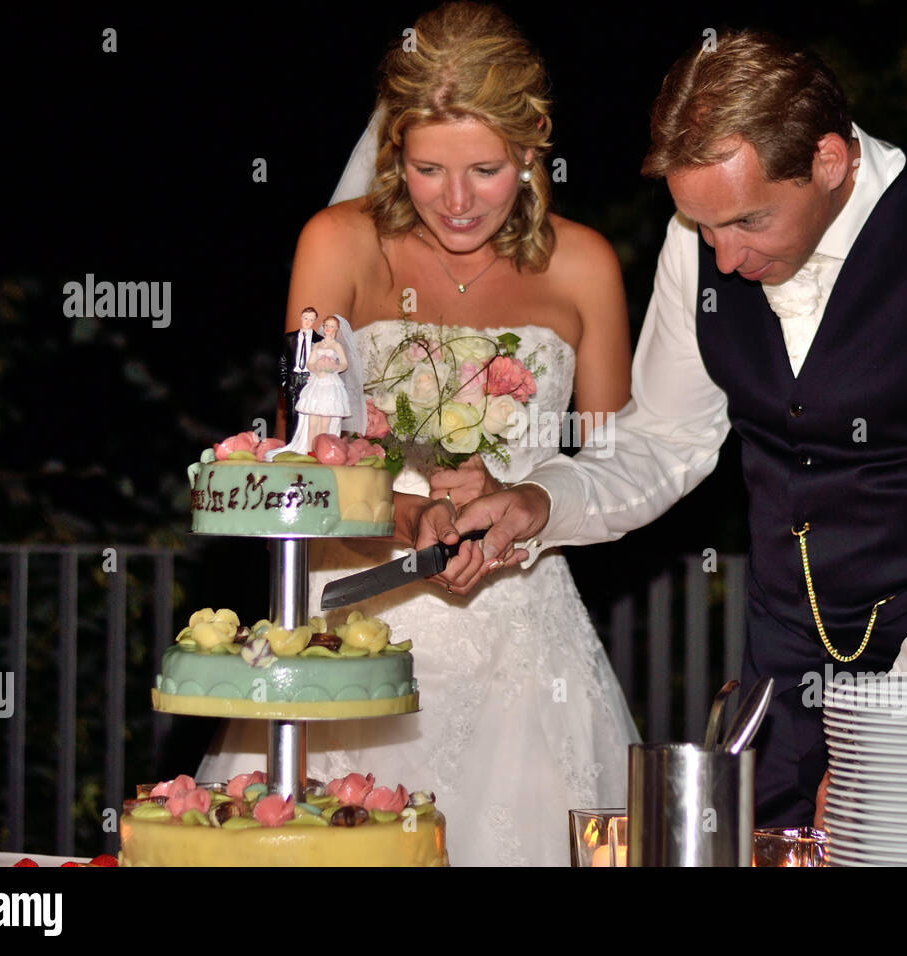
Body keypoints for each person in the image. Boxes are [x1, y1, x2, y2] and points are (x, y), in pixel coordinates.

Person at [426, 29, 907, 830]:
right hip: (780, 695)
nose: (723, 258)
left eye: (749, 222)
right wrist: (539, 500)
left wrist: (891, 733)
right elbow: (663, 440)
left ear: (829, 162)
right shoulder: (698, 241)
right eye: (704, 228)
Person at [199, 1, 640, 866]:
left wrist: (527, 503)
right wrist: (405, 520)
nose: (458, 201)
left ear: (531, 144)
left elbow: (618, 463)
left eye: (485, 168)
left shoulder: (585, 264)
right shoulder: (337, 244)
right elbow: (305, 459)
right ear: (394, 145)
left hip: (526, 644)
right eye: (429, 168)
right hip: (356, 631)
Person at [284, 314, 353, 454]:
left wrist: (333, 369)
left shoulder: (337, 345)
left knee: (325, 423)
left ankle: (321, 451)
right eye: (327, 325)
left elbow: (344, 364)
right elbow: (310, 363)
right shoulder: (317, 344)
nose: (328, 328)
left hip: (330, 384)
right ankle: (309, 450)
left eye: (332, 326)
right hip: (317, 382)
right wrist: (317, 369)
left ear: (336, 329)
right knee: (312, 422)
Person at [280, 306, 322, 440]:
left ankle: (305, 445)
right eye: (305, 318)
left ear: (315, 321)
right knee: (292, 414)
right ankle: (290, 445)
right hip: (292, 379)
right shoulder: (289, 338)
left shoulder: (319, 340)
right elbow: (283, 360)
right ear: (300, 318)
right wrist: (284, 382)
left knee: (309, 415)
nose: (307, 322)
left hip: (309, 380)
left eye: (311, 319)